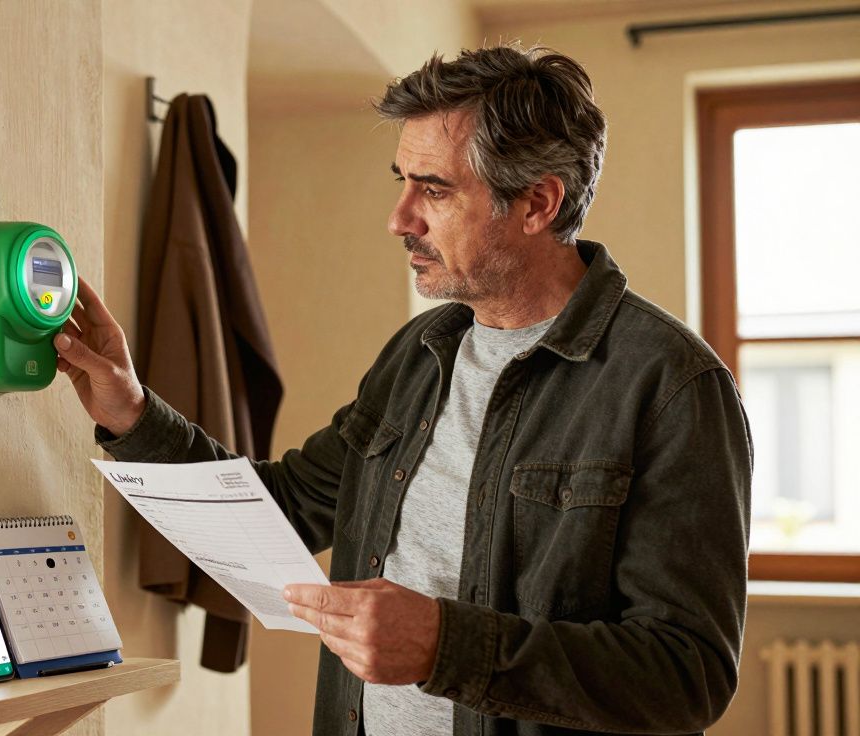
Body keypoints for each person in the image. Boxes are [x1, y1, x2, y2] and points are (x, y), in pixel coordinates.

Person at [54, 43, 753, 736]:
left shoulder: (671, 387)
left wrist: (447, 647)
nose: (400, 218)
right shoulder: (417, 357)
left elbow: (687, 675)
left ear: (538, 202)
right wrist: (133, 411)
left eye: (436, 190)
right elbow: (287, 507)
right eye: (404, 181)